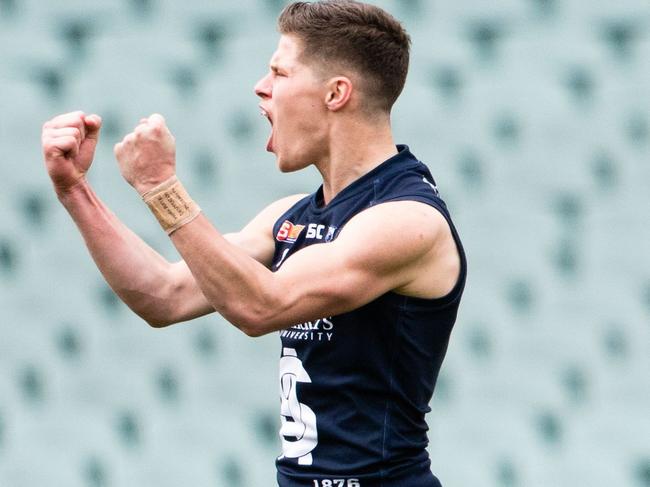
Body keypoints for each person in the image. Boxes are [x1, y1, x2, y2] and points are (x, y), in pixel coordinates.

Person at [41, 1, 467, 485]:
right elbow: (163, 295)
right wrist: (75, 191)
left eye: (279, 72)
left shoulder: (408, 220)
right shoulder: (292, 216)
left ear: (336, 93)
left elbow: (261, 306)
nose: (260, 87)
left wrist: (162, 188)